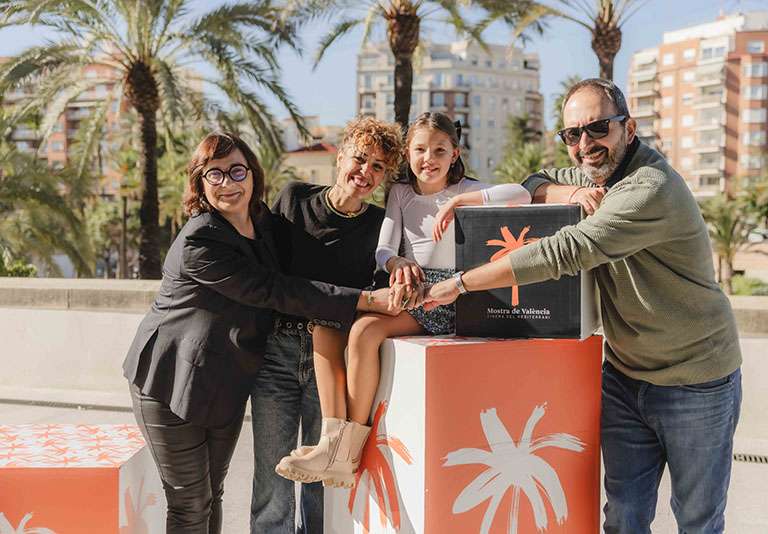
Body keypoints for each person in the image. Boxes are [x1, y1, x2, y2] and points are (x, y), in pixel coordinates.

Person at [424, 78, 742, 534]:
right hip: (625, 378)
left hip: (696, 380)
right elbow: (534, 182)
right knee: (623, 517)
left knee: (698, 520)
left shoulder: (649, 187)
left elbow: (565, 251)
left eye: (598, 128)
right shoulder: (598, 173)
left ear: (628, 128)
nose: (585, 144)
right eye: (572, 134)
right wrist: (569, 194)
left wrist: (462, 283)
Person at [123, 132, 396, 534]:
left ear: (253, 174)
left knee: (212, 495)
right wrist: (368, 301)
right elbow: (274, 289)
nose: (228, 183)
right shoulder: (200, 238)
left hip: (224, 382)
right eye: (215, 174)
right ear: (199, 182)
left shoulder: (262, 224)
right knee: (190, 503)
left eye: (237, 171)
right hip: (170, 379)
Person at [274, 111, 531, 487]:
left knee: (364, 331)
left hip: (452, 295)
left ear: (455, 154)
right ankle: (334, 443)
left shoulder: (465, 190)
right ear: (408, 154)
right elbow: (384, 249)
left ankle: (345, 451)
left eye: (440, 150)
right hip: (416, 288)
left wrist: (462, 201)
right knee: (331, 326)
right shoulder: (400, 193)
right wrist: (396, 261)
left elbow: (521, 194)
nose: (429, 158)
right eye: (420, 150)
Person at [250, 117, 404, 533]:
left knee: (322, 479)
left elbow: (383, 292)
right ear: (340, 157)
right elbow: (269, 278)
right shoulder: (293, 200)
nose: (365, 171)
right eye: (360, 158)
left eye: (378, 167)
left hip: (333, 360)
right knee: (272, 476)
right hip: (278, 354)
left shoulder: (382, 228)